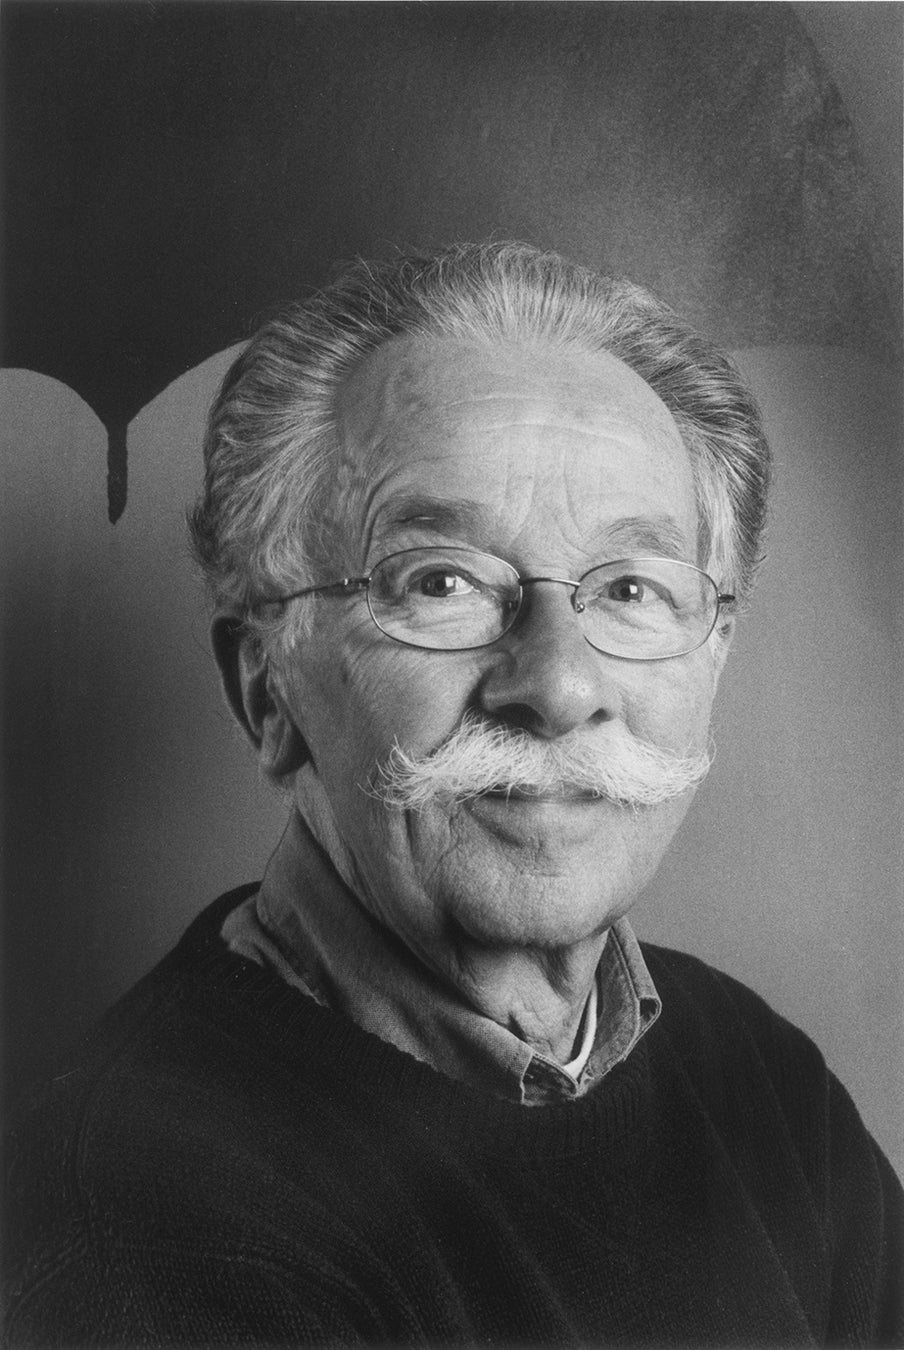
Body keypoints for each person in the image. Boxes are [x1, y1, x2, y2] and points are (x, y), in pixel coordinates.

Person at [6, 243, 901, 1347]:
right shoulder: (150, 1234)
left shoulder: (759, 1081)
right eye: (443, 582)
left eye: (631, 588)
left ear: (713, 655)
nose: (559, 686)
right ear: (269, 691)